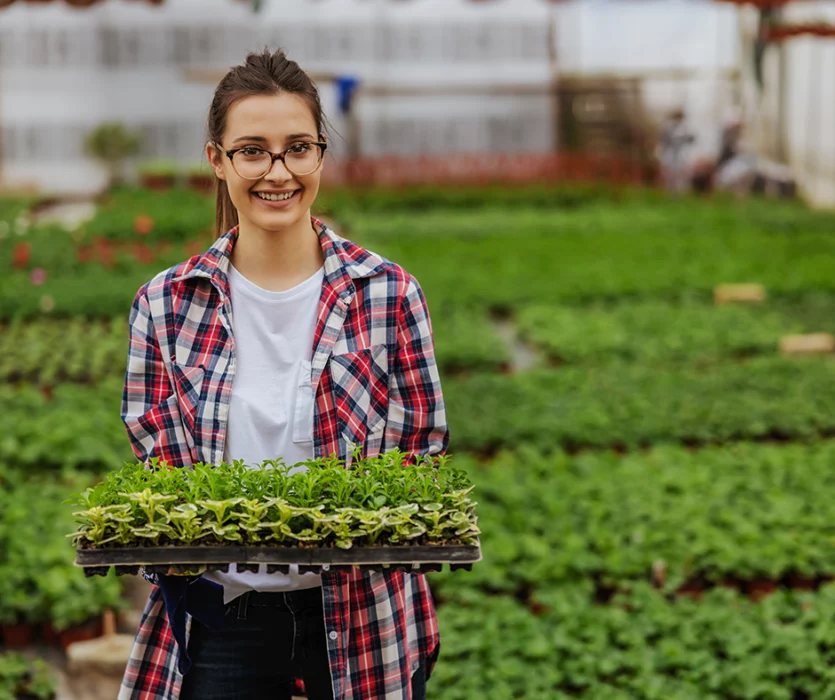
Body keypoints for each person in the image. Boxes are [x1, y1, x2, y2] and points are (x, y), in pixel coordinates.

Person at [119, 47, 449, 700]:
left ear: (320, 155)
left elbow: (420, 450)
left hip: (359, 613)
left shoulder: (386, 293)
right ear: (217, 159)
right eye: (253, 150)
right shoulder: (166, 303)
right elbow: (156, 460)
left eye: (297, 148)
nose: (278, 171)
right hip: (226, 613)